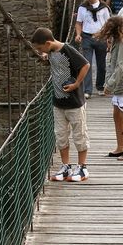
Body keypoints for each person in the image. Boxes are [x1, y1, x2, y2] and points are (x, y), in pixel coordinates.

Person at [31, 27, 91, 183]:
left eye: (40, 48)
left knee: (79, 135)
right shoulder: (51, 51)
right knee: (61, 136)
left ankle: (82, 167)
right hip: (58, 103)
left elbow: (85, 65)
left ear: (48, 43)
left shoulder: (67, 50)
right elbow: (51, 58)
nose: (39, 51)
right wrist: (45, 55)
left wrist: (77, 84)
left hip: (74, 103)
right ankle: (66, 167)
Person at [96, 15, 123, 161]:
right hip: (119, 88)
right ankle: (121, 147)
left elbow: (121, 67)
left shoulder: (122, 44)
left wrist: (109, 85)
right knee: (117, 116)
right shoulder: (115, 42)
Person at [75, 0, 111, 98]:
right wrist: (78, 34)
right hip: (87, 37)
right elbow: (78, 22)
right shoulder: (82, 7)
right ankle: (87, 90)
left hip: (101, 37)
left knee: (101, 64)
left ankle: (100, 86)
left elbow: (108, 24)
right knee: (87, 63)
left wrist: (108, 38)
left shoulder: (104, 8)